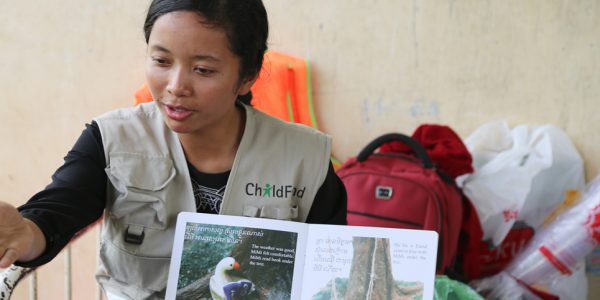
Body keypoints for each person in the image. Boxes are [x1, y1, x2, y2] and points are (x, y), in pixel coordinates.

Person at [0, 0, 347, 298]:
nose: (177, 86)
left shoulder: (306, 158)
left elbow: (329, 273)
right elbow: (56, 214)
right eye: (162, 61)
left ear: (248, 75)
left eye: (203, 70)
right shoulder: (110, 139)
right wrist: (26, 234)